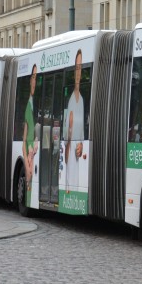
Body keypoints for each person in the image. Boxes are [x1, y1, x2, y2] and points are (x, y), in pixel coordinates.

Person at [63, 50, 87, 190]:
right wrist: (70, 131)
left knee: (76, 186)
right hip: (70, 158)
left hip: (77, 159)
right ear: (73, 72)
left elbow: (82, 134)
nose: (78, 72)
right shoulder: (70, 100)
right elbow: (66, 139)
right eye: (76, 68)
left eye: (80, 68)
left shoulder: (82, 100)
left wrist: (81, 146)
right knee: (70, 186)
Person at [22, 65, 38, 187]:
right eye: (33, 77)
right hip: (29, 155)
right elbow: (24, 140)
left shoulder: (33, 105)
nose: (34, 82)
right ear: (30, 80)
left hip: (32, 154)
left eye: (37, 78)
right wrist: (27, 167)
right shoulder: (28, 107)